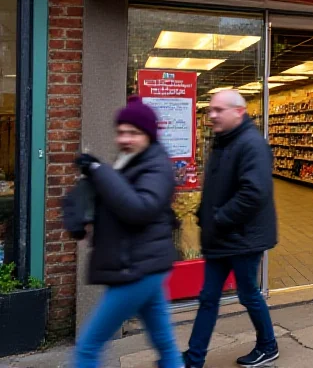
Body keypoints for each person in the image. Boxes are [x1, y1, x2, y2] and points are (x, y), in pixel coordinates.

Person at [70, 96, 183, 368]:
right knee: (164, 344)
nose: (124, 139)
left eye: (133, 132)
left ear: (148, 135)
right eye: (121, 131)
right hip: (141, 262)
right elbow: (114, 200)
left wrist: (99, 170)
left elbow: (138, 209)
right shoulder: (130, 161)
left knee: (87, 347)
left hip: (137, 269)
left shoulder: (157, 166)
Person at [184, 90, 279, 368]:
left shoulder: (251, 144)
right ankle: (194, 358)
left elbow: (254, 193)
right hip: (223, 237)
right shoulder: (223, 141)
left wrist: (218, 218)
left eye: (218, 110)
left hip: (243, 238)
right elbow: (218, 186)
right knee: (209, 298)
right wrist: (204, 212)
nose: (211, 115)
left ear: (239, 111)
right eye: (210, 110)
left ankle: (267, 345)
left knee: (248, 293)